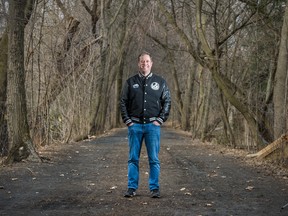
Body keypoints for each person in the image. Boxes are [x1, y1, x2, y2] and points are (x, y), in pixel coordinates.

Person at [120, 51, 171, 198]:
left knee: (154, 159)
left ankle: (154, 188)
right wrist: (127, 120)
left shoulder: (160, 82)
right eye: (142, 61)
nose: (145, 64)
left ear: (151, 63)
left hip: (152, 127)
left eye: (147, 61)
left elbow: (167, 101)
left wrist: (160, 119)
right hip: (134, 125)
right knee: (133, 158)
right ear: (139, 64)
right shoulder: (130, 82)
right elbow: (123, 102)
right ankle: (131, 188)